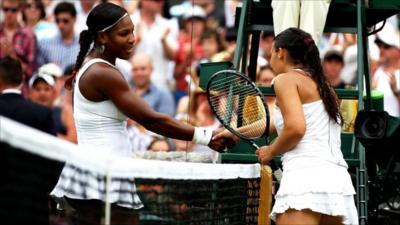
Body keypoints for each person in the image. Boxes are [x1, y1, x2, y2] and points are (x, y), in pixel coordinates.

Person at [50, 3, 232, 225]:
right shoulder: (103, 73)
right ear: (103, 37)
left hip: (99, 172)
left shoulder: (98, 68)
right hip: (102, 175)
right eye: (124, 33)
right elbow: (151, 119)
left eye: (133, 31)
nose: (132, 38)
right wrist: (207, 136)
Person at [215, 28, 358, 225]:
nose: (271, 58)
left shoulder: (285, 80)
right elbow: (276, 122)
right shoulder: (323, 85)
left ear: (280, 52)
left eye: (271, 52)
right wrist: (236, 133)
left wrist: (271, 151)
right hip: (338, 186)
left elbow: (296, 128)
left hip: (305, 181)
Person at [0, 56, 60, 225]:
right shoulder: (41, 113)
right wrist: (42, 190)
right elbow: (55, 158)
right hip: (33, 203)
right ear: (22, 79)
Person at [37, 1, 79, 72]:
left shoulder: (86, 45)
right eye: (57, 21)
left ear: (74, 19)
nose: (61, 25)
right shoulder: (45, 44)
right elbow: (39, 71)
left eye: (65, 21)